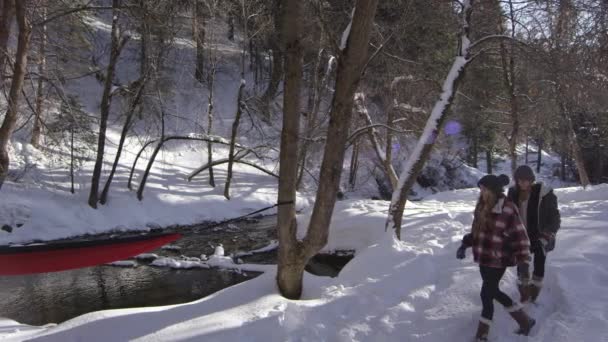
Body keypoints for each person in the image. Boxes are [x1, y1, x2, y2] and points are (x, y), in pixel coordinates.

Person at [456, 174, 536, 342]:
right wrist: (465, 244)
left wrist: (523, 263)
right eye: (481, 189)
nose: (481, 192)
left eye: (484, 189)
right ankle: (525, 321)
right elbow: (478, 232)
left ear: (493, 190)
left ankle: (482, 335)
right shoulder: (481, 206)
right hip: (483, 257)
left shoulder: (507, 208)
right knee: (493, 292)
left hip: (499, 259)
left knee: (486, 293)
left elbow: (521, 237)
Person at [508, 165, 561, 303]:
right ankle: (524, 292)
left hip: (540, 235)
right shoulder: (513, 194)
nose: (522, 183)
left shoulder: (544, 194)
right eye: (519, 180)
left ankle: (535, 292)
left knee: (539, 263)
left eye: (525, 180)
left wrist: (547, 234)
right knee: (522, 266)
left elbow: (555, 218)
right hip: (521, 236)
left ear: (531, 180)